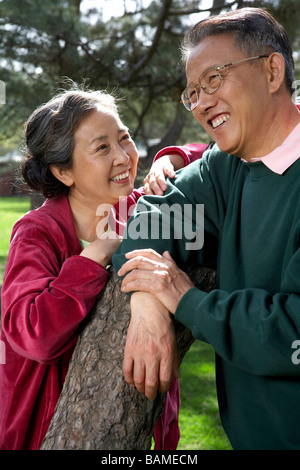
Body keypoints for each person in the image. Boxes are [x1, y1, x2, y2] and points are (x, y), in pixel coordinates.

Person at [113, 7, 300, 450]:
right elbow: (153, 211)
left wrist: (186, 302)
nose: (201, 103)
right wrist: (146, 300)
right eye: (192, 92)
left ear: (272, 71)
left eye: (214, 79)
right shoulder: (226, 166)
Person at [0, 88, 206, 450]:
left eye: (124, 138)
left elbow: (223, 155)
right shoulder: (37, 233)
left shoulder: (145, 208)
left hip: (139, 419)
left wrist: (171, 159)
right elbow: (30, 333)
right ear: (64, 171)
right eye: (102, 148)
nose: (124, 156)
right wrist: (92, 257)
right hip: (50, 425)